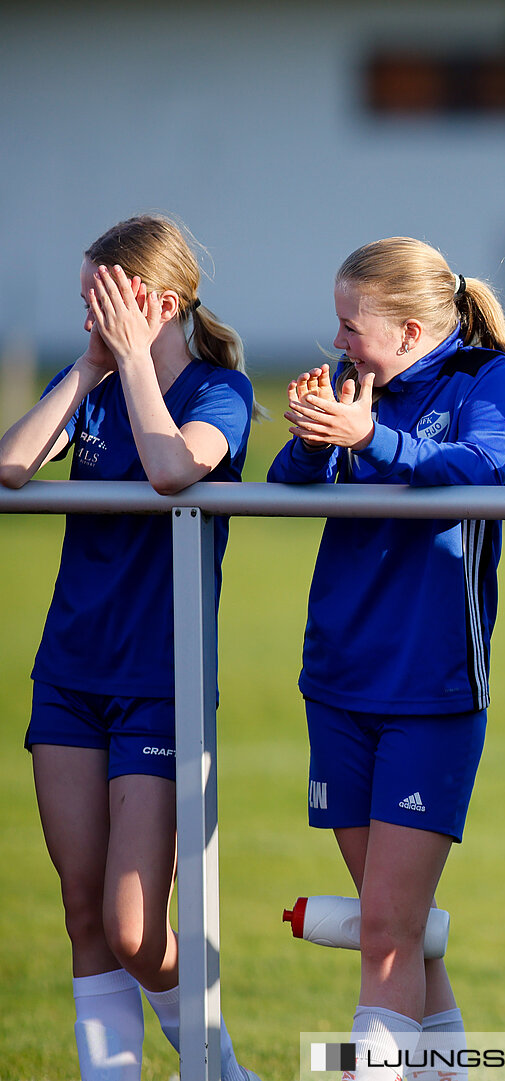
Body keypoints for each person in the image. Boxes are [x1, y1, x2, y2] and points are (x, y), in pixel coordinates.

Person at [267, 237, 505, 1081]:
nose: (339, 343)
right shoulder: (360, 385)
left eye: (352, 325)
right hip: (337, 677)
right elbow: (287, 480)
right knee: (401, 923)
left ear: (415, 330)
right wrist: (317, 437)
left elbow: (484, 465)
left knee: (388, 927)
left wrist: (370, 439)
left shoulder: (480, 377)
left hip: (431, 687)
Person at [0, 216, 257, 1081]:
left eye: (101, 303)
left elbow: (173, 467)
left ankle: (214, 1062)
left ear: (159, 302)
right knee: (82, 914)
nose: (90, 322)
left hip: (160, 679)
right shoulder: (97, 383)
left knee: (136, 928)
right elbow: (11, 464)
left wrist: (136, 363)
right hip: (71, 670)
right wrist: (89, 368)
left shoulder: (221, 390)